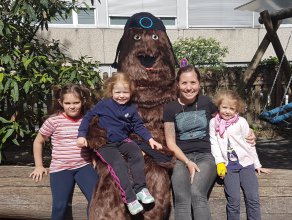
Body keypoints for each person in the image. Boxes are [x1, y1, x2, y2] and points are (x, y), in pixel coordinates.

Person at [163, 64, 256, 220]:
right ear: (177, 85)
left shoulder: (207, 103)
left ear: (199, 84)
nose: (189, 87)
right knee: (181, 198)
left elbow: (230, 120)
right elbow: (170, 143)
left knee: (197, 192)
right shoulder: (170, 108)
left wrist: (249, 132)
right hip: (180, 158)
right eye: (184, 83)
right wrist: (187, 162)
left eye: (193, 82)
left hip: (206, 156)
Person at [77, 72, 162, 215]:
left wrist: (150, 139)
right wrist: (81, 136)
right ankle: (130, 199)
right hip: (104, 143)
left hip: (122, 140)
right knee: (119, 164)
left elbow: (138, 126)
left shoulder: (131, 108)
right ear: (111, 92)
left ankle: (141, 188)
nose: (121, 96)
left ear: (131, 92)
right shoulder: (104, 105)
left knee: (136, 152)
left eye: (125, 92)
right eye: (118, 92)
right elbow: (87, 119)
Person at [29, 84, 99, 220]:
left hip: (83, 166)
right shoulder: (53, 121)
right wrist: (39, 165)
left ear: (83, 102)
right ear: (61, 103)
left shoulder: (87, 120)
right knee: (60, 207)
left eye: (76, 102)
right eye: (67, 103)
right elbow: (38, 142)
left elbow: (92, 141)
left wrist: (94, 158)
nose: (72, 106)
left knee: (96, 199)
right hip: (61, 168)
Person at [209, 89, 272, 220]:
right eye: (224, 107)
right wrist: (219, 162)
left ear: (237, 109)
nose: (227, 111)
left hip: (246, 163)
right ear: (219, 106)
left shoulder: (241, 122)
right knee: (234, 200)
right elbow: (214, 144)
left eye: (231, 108)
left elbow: (250, 143)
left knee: (252, 197)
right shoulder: (213, 122)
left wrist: (257, 164)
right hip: (228, 167)